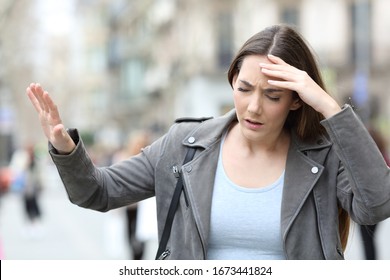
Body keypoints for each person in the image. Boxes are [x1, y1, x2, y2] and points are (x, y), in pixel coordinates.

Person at [26, 24, 390, 260]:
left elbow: (375, 205)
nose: (254, 106)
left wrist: (327, 106)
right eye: (243, 88)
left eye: (274, 96)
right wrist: (66, 148)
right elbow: (97, 193)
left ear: (297, 100)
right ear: (232, 80)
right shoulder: (184, 145)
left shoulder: (324, 156)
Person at [358, 126, 390, 260]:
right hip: (381, 203)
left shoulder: (362, 161)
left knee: (367, 240)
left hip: (366, 204)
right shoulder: (384, 158)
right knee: (371, 238)